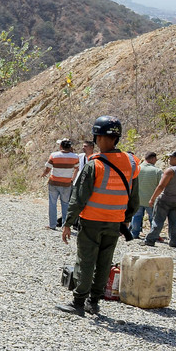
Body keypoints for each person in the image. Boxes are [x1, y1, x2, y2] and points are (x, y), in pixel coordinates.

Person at [58, 116, 138, 316]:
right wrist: (126, 218)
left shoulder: (95, 165)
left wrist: (68, 222)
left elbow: (79, 197)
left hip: (92, 220)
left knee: (86, 260)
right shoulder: (131, 162)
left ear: (100, 137)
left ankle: (78, 302)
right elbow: (135, 197)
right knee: (105, 261)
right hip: (114, 222)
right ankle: (94, 302)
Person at [144, 150, 176, 247]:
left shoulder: (171, 170)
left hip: (165, 198)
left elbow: (161, 186)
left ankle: (150, 240)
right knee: (174, 221)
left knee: (158, 220)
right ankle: (174, 241)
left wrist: (152, 198)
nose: (169, 159)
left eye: (171, 157)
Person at [41, 138, 80, 230]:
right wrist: (72, 179)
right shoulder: (75, 157)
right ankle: (64, 225)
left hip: (54, 183)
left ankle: (52, 225)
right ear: (70, 147)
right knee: (65, 204)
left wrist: (43, 174)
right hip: (66, 184)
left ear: (60, 146)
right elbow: (77, 169)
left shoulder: (54, 155)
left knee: (52, 203)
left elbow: (48, 168)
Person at [129, 152, 163, 239]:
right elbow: (161, 185)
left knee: (136, 216)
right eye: (155, 159)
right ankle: (153, 235)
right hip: (151, 199)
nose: (156, 161)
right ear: (152, 159)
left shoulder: (137, 168)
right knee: (153, 218)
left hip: (138, 198)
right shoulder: (157, 171)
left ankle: (134, 234)